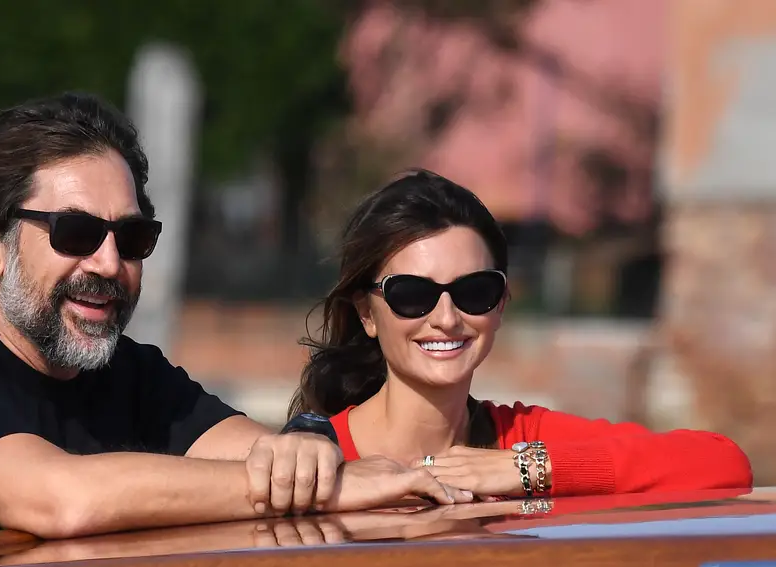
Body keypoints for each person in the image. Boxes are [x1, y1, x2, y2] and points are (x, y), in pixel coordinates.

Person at [0, 94, 466, 551]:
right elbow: (62, 499)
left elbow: (267, 453)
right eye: (76, 232)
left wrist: (307, 443)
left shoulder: (132, 373)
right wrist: (323, 489)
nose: (108, 263)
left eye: (131, 237)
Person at [287, 169, 754, 500]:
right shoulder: (309, 455)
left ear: (502, 303)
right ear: (367, 313)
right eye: (412, 295)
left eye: (475, 291)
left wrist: (526, 469)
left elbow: (723, 462)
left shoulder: (522, 440)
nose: (447, 318)